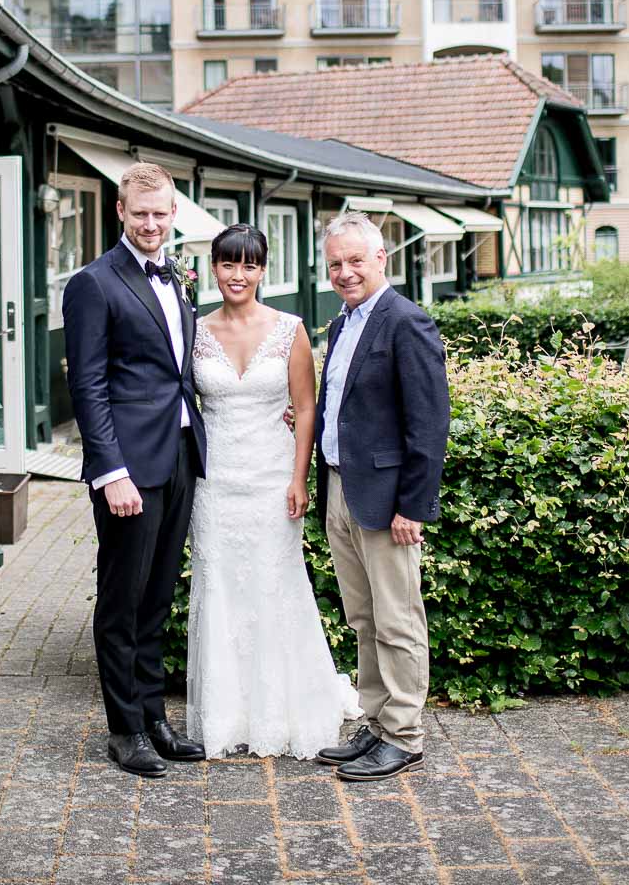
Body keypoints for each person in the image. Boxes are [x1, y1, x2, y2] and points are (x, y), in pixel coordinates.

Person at [186, 224, 358, 759]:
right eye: (229, 264)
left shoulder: (290, 329)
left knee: (275, 586)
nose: (239, 276)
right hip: (213, 483)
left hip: (270, 479)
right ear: (213, 267)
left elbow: (305, 408)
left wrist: (298, 477)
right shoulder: (192, 330)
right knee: (219, 588)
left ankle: (285, 707)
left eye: (250, 265)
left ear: (264, 270)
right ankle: (226, 713)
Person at [62, 162, 207, 778]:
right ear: (120, 212)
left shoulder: (174, 276)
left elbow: (177, 368)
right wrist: (109, 470)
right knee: (122, 599)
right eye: (139, 213)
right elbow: (88, 386)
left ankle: (154, 717)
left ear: (174, 214)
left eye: (161, 213)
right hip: (129, 464)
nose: (150, 224)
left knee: (156, 597)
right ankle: (124, 730)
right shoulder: (93, 283)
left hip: (178, 451)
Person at [311, 211, 449, 781]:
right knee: (364, 618)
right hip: (343, 488)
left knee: (397, 620)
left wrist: (412, 507)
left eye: (355, 261)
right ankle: (376, 723)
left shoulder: (405, 322)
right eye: (336, 264)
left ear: (381, 260)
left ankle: (406, 736)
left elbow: (429, 424)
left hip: (387, 500)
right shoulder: (343, 323)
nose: (345, 272)